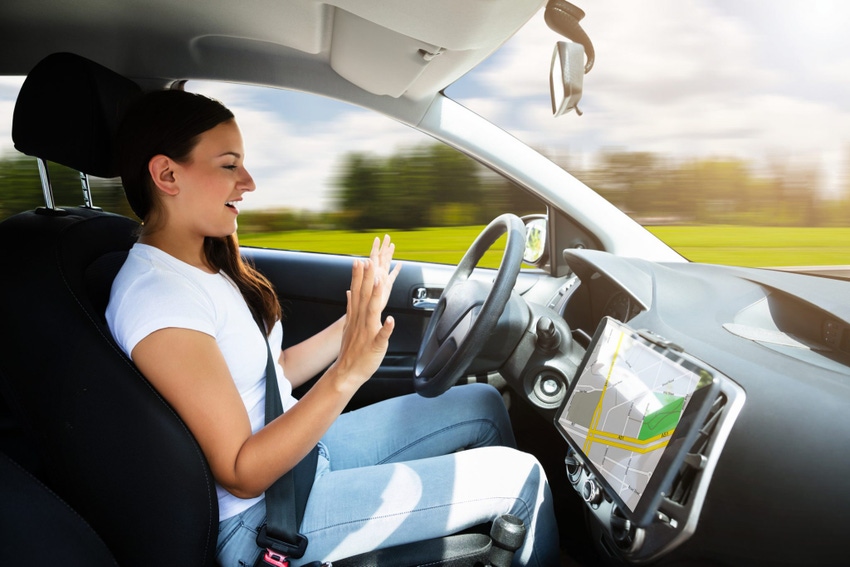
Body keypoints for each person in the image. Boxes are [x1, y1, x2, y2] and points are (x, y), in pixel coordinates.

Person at [106, 89, 560, 567]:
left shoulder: (200, 263)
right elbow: (241, 472)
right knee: (520, 479)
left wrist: (354, 324)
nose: (249, 182)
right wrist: (348, 372)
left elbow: (268, 372)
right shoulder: (158, 299)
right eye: (228, 165)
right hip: (263, 519)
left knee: (483, 403)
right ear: (167, 175)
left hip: (298, 460)